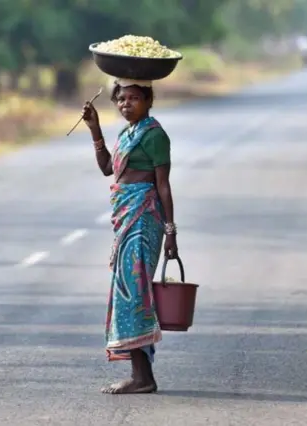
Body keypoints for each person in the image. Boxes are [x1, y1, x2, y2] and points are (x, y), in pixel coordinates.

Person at [81, 77, 178, 395]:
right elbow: (109, 168)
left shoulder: (154, 135)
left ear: (149, 100)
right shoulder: (126, 134)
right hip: (126, 219)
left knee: (134, 294)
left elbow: (163, 186)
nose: (126, 104)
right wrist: (95, 129)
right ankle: (141, 374)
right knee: (129, 292)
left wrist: (170, 232)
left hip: (144, 219)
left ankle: (143, 377)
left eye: (134, 98)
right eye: (121, 99)